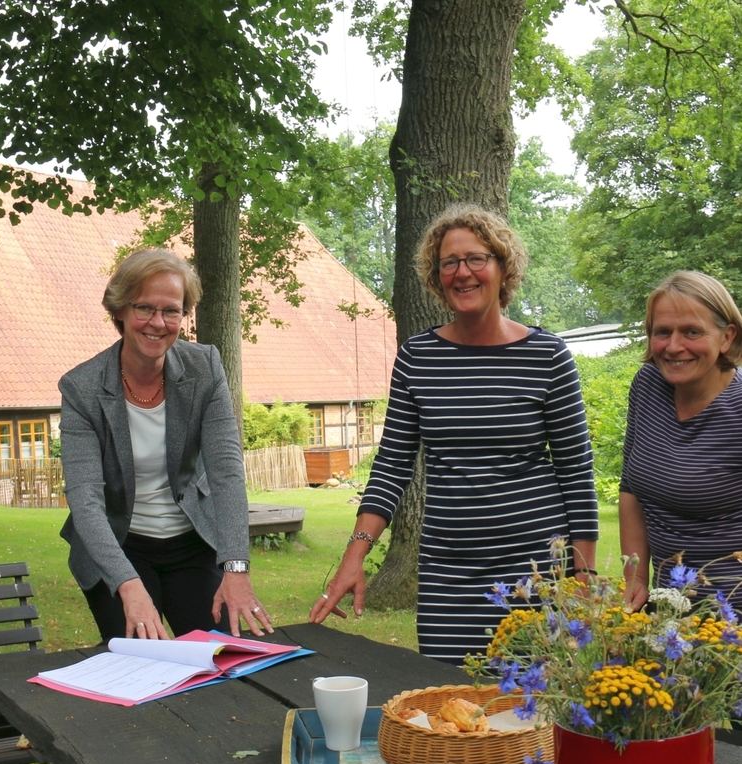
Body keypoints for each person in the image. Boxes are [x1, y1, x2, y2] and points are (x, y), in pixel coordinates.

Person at [309, 204, 598, 663]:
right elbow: (391, 465)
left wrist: (584, 579)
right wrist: (354, 555)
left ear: (504, 268)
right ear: (436, 276)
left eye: (477, 259)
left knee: (535, 713)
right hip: (449, 573)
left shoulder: (548, 357)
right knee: (451, 710)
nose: (463, 272)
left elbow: (577, 474)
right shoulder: (418, 358)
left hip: (536, 569)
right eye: (449, 262)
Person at [59, 248, 272, 641]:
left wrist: (236, 567)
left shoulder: (204, 366)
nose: (157, 323)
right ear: (119, 310)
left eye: (171, 310)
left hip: (192, 543)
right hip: (120, 544)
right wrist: (127, 583)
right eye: (144, 308)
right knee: (145, 664)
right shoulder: (82, 388)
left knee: (226, 658)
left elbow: (226, 473)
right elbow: (85, 498)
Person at [620, 271, 742, 610]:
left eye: (691, 331)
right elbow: (630, 488)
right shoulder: (647, 385)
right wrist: (637, 577)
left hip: (729, 619)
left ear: (727, 337)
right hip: (664, 612)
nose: (674, 346)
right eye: (662, 332)